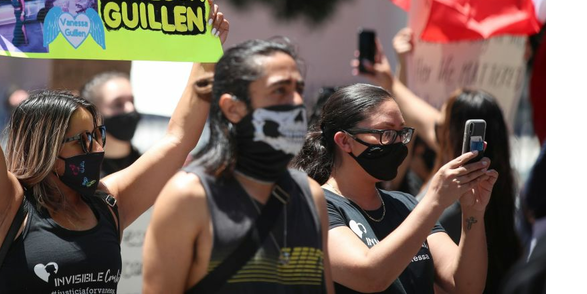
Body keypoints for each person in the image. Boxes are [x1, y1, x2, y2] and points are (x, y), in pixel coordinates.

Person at [0, 0, 229, 293]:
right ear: (45, 148)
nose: (95, 148)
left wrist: (208, 53)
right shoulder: (8, 208)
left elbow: (179, 138)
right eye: (80, 139)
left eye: (96, 135)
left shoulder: (108, 204)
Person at [143, 38, 334, 293]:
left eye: (299, 88)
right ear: (233, 108)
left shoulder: (311, 194)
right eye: (280, 90)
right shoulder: (189, 196)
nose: (297, 102)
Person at [293, 83, 497, 294]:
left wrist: (473, 212)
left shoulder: (405, 204)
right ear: (345, 141)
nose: (399, 143)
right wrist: (435, 199)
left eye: (402, 133)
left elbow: (467, 286)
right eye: (387, 133)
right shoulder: (320, 206)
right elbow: (369, 276)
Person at [359, 32, 522, 293]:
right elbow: (412, 112)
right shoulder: (495, 183)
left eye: (442, 118)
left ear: (452, 133)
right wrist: (397, 70)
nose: (435, 122)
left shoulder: (457, 196)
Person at [80, 71, 144, 176]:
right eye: (118, 104)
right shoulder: (82, 174)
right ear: (93, 114)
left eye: (132, 101)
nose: (130, 109)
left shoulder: (146, 165)